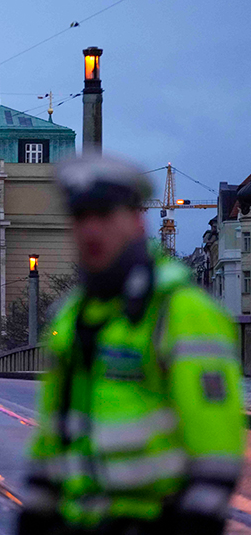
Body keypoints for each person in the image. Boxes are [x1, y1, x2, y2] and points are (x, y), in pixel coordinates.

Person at [17, 155, 245, 535]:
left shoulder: (182, 310)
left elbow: (216, 439)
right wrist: (38, 506)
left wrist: (197, 516)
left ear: (137, 221)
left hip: (156, 520)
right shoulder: (71, 316)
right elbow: (55, 429)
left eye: (104, 215)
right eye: (81, 217)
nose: (91, 231)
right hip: (80, 521)